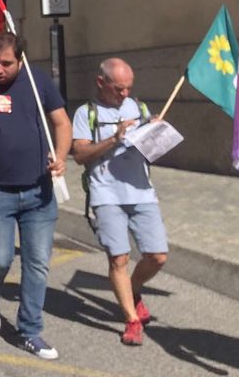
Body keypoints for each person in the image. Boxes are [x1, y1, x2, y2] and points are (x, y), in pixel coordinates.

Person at [0, 32, 71, 360]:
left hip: (39, 192)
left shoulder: (38, 83)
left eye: (6, 63)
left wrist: (61, 156)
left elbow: (61, 123)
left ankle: (30, 330)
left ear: (20, 60)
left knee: (37, 264)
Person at [70, 58, 167, 346]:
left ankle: (133, 289)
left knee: (157, 256)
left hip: (141, 192)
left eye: (128, 88)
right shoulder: (85, 113)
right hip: (106, 194)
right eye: (118, 89)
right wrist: (115, 138)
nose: (124, 94)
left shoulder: (138, 108)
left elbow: (153, 151)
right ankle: (131, 321)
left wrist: (157, 132)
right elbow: (80, 155)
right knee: (119, 258)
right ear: (101, 83)